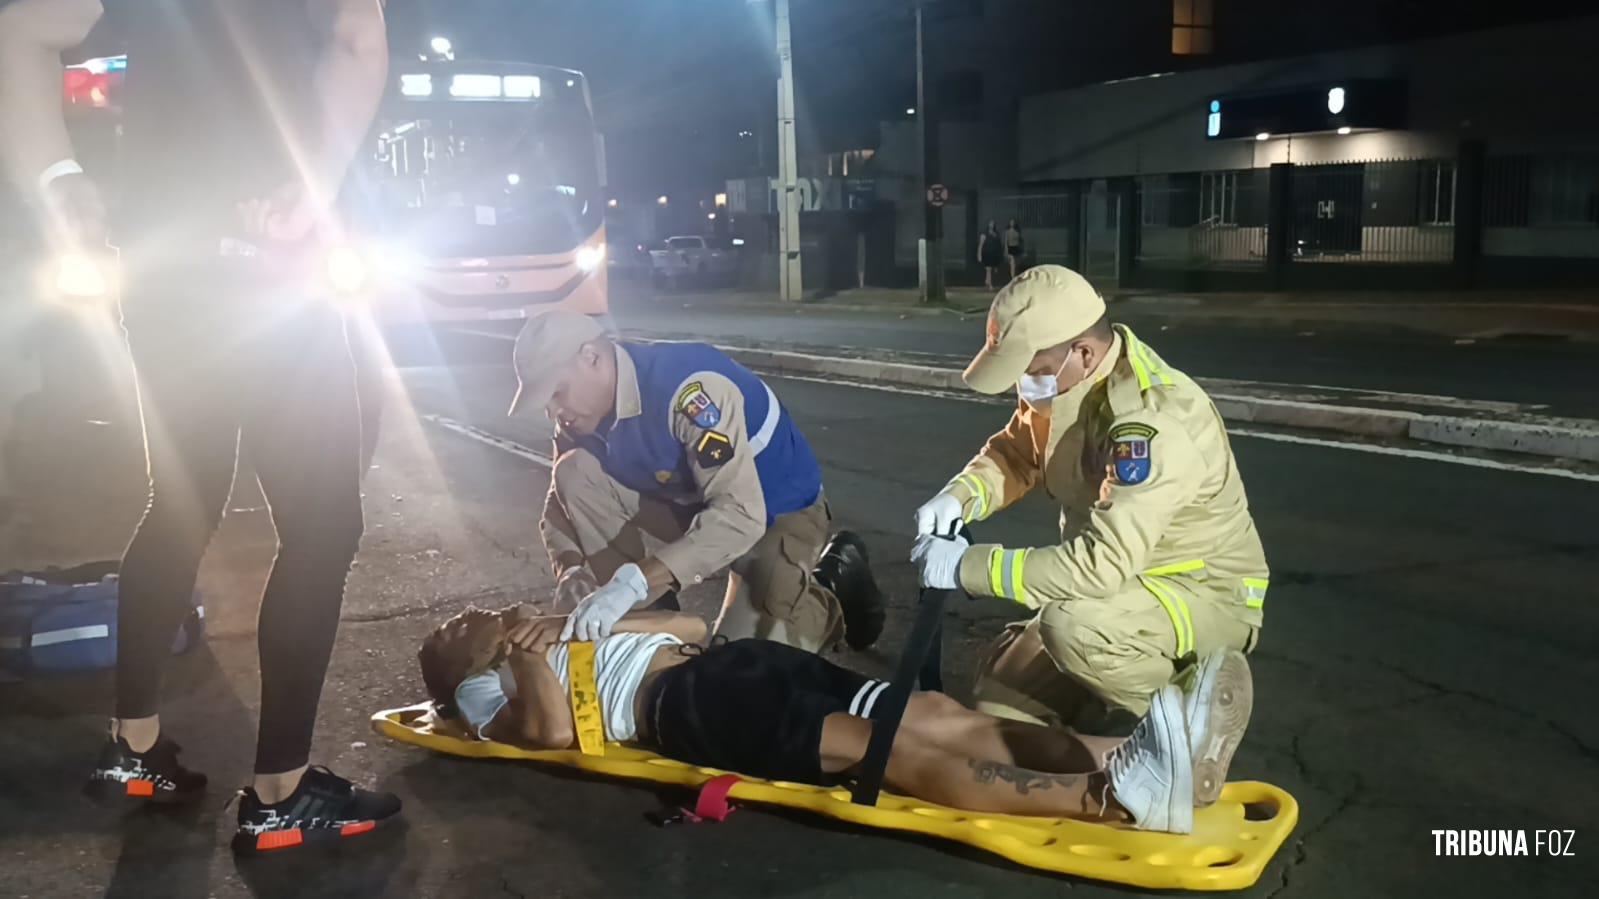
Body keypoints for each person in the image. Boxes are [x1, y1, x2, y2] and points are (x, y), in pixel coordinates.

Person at [0, 0, 399, 853]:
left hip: (160, 267)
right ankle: (282, 795)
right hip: (266, 261)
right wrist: (316, 182)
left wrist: (57, 182)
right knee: (324, 526)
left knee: (176, 505)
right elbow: (359, 39)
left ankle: (135, 749)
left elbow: (22, 26)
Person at [910, 265, 1267, 808]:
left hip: (1198, 594)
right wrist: (960, 495)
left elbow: (1098, 567)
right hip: (1124, 585)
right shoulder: (1066, 380)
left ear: (1081, 353)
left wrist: (967, 566)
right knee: (997, 713)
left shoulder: (1149, 424)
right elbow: (1018, 451)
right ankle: (1117, 722)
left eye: (1033, 370)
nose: (1022, 385)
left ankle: (1196, 718)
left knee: (1069, 625)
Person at [417, 606, 1255, 835]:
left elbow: (691, 628)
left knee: (929, 710)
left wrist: (573, 624)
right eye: (454, 628)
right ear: (455, 669)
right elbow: (548, 734)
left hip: (727, 664)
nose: (467, 615)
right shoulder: (480, 692)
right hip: (683, 707)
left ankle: (1138, 750)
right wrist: (525, 649)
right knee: (879, 749)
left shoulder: (550, 632)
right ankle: (1109, 800)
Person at [509, 310, 885, 653]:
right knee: (575, 472)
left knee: (743, 663)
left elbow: (740, 515)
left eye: (556, 392)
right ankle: (648, 622)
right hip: (694, 505)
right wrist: (571, 569)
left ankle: (833, 585)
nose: (552, 411)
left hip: (775, 511)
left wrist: (633, 581)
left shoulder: (690, 390)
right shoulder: (580, 416)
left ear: (591, 357)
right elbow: (561, 498)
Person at [977, 220, 1002, 290]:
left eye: (993, 224)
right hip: (986, 253)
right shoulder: (984, 233)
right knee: (989, 269)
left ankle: (987, 281)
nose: (992, 225)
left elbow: (998, 243)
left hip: (993, 253)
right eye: (990, 224)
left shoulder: (996, 233)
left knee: (990, 269)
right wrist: (979, 254)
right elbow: (981, 245)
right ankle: (989, 283)